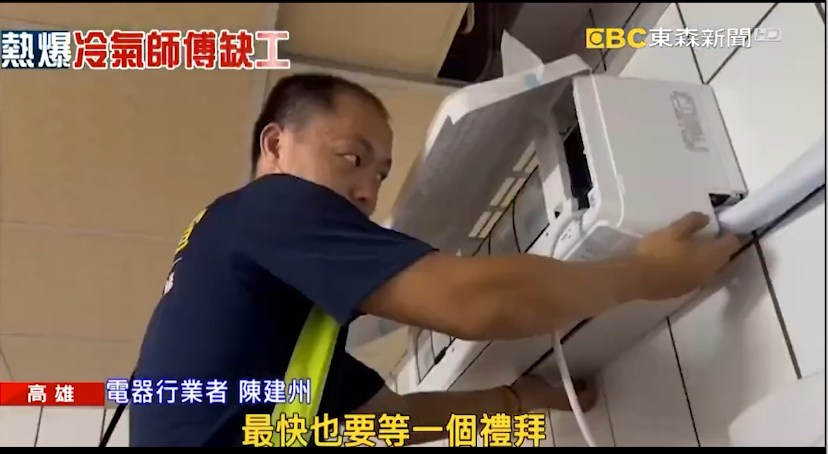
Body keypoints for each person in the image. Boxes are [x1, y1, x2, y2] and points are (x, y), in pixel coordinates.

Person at [129, 73, 741, 447]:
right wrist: (646, 274)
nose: (367, 192)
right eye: (352, 158)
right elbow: (474, 302)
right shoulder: (271, 205)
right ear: (276, 143)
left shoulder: (269, 322)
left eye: (380, 175)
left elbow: (384, 423)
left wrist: (519, 401)